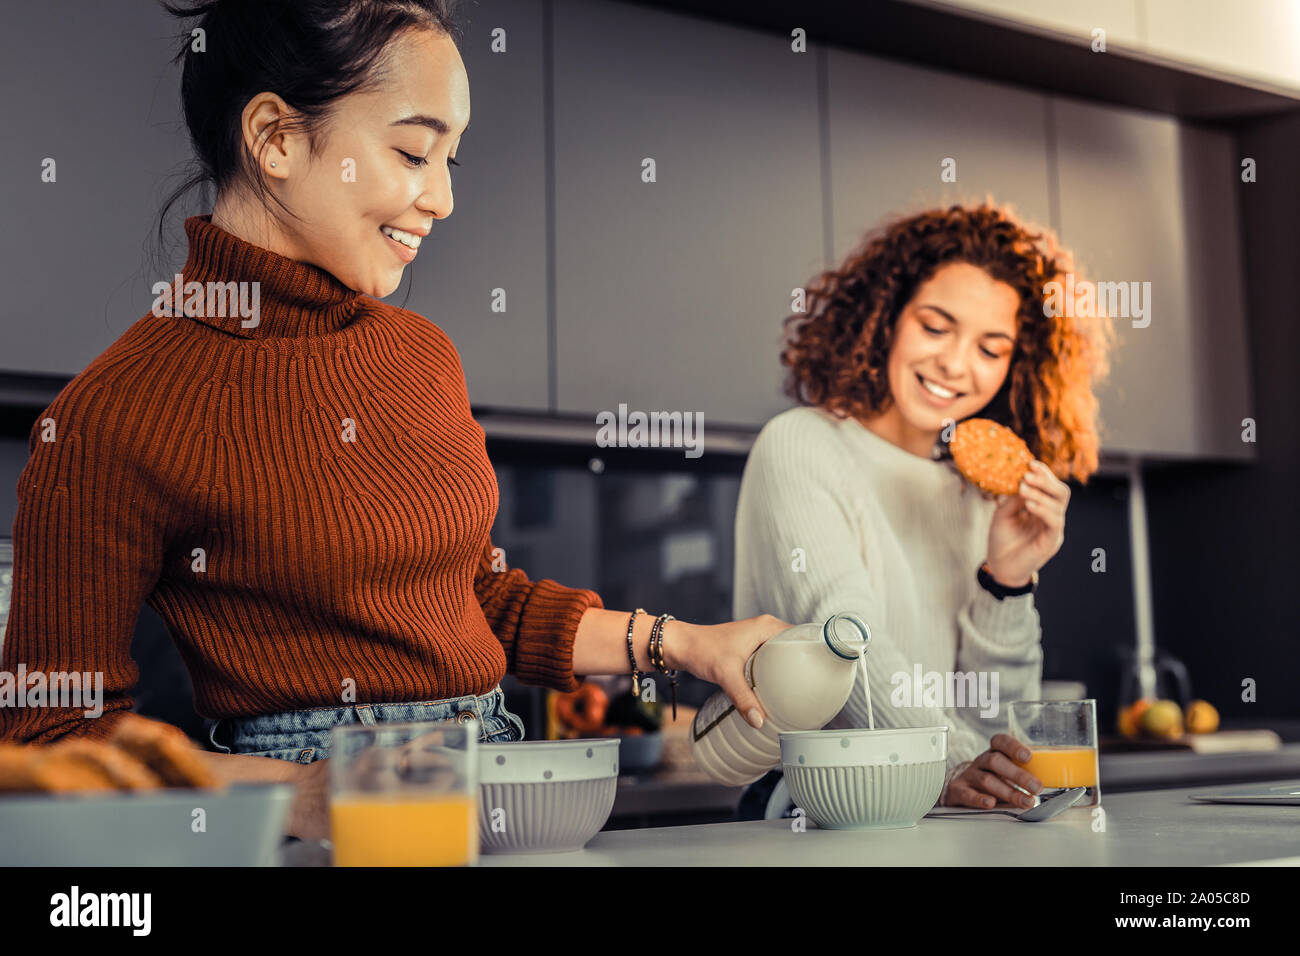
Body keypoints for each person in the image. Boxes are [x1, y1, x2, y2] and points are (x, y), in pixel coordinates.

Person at [0, 0, 788, 840]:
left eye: (452, 158)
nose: (443, 198)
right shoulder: (111, 416)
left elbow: (475, 601)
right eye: (414, 152)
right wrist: (304, 794)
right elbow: (54, 737)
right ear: (274, 138)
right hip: (323, 838)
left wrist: (691, 645)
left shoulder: (422, 357)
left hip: (497, 798)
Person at [733, 204, 1113, 813]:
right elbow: (844, 644)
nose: (956, 365)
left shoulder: (979, 495)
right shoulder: (801, 444)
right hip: (823, 810)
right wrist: (952, 764)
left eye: (991, 349)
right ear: (886, 318)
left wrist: (1006, 583)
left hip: (950, 817)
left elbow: (995, 726)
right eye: (935, 327)